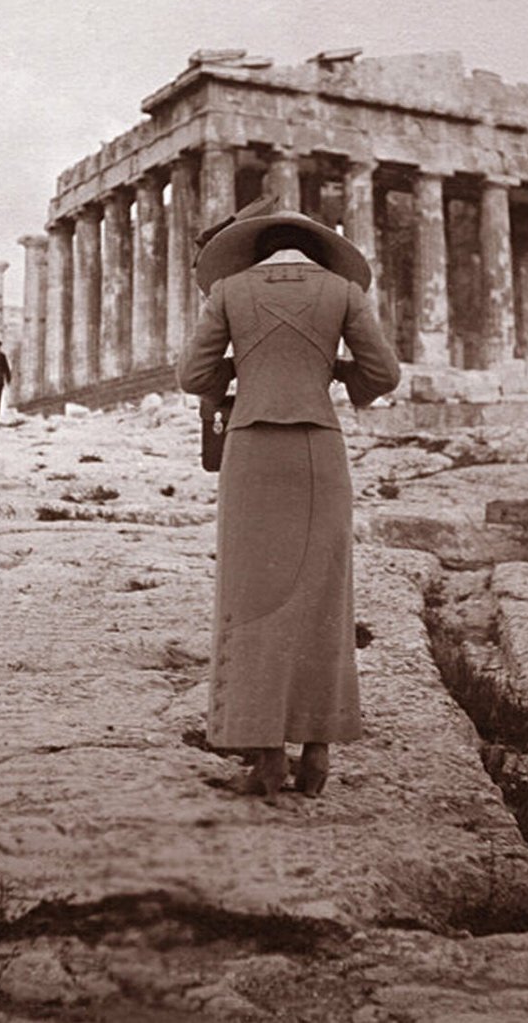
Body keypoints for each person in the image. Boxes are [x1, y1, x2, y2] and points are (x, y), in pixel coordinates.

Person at [176, 206, 400, 800]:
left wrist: (245, 366)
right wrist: (328, 370)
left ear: (257, 250)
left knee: (250, 600)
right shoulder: (343, 291)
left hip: (250, 450)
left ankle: (266, 760)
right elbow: (384, 375)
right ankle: (318, 754)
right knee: (324, 598)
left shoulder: (229, 289)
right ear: (316, 250)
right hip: (319, 452)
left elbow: (193, 376)